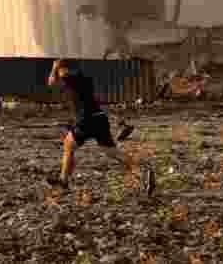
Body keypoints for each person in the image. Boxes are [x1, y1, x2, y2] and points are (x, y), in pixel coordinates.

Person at [45, 58, 154, 195]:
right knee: (112, 152)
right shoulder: (84, 77)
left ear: (64, 69)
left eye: (60, 70)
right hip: (100, 118)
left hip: (86, 120)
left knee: (68, 144)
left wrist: (55, 67)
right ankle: (143, 171)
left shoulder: (70, 78)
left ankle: (64, 181)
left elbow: (51, 83)